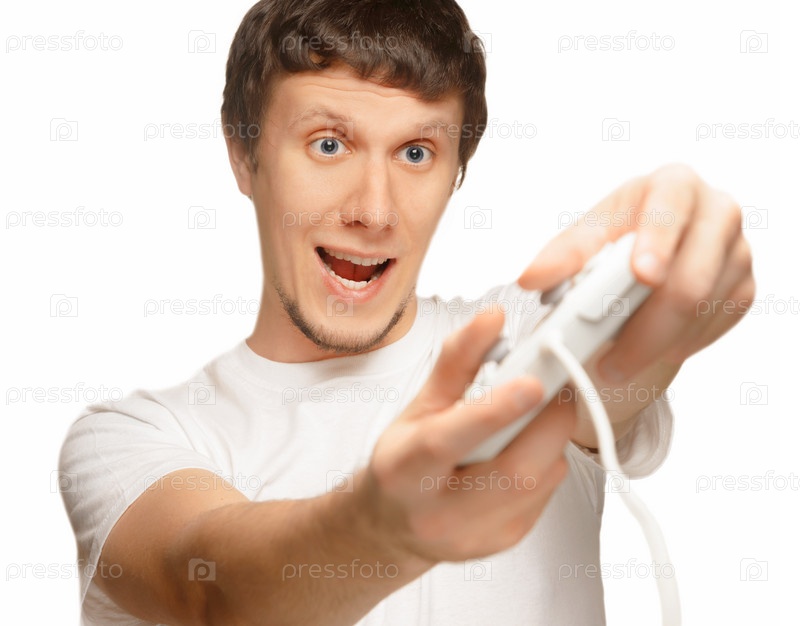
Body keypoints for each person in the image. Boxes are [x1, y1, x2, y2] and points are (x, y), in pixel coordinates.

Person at [58, 0, 755, 624]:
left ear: (455, 175)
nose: (374, 210)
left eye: (416, 153)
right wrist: (381, 530)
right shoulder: (130, 440)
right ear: (243, 155)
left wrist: (672, 272)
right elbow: (210, 591)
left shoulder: (518, 336)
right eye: (329, 144)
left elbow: (615, 364)